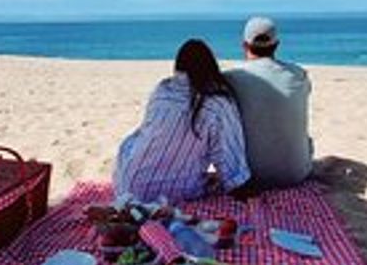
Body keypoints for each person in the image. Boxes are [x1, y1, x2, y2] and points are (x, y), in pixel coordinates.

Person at [113, 39, 251, 203]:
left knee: (132, 142)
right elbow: (225, 159)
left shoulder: (162, 89)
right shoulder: (216, 103)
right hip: (173, 193)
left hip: (127, 184)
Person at [224, 16, 314, 190]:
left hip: (249, 176)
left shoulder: (231, 78)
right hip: (297, 173)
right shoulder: (298, 74)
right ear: (277, 45)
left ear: (244, 45)